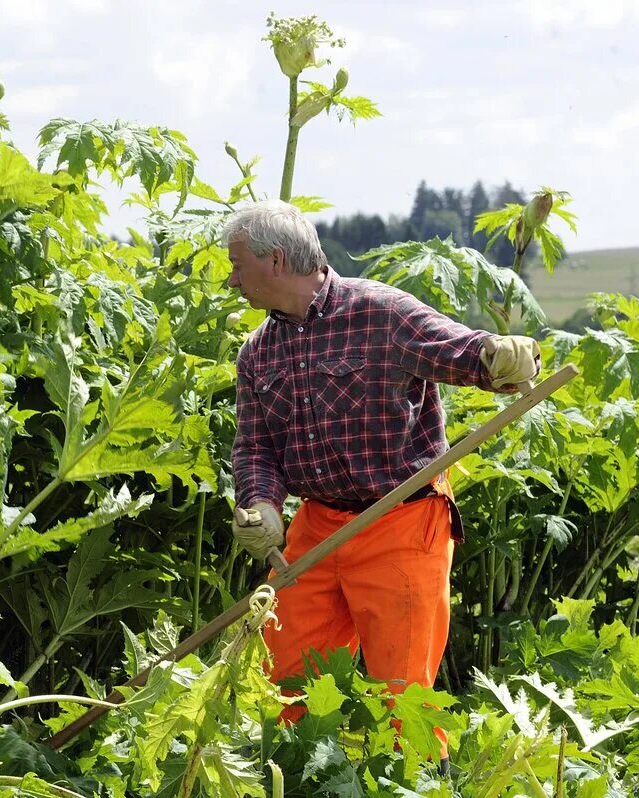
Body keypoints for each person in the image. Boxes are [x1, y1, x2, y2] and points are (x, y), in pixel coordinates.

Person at [224, 200, 539, 766]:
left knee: (404, 696)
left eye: (237, 264)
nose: (231, 278)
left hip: (401, 519)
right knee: (286, 684)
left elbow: (458, 351)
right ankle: (302, 777)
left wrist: (500, 358)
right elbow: (254, 447)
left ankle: (418, 780)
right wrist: (260, 505)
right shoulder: (257, 353)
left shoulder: (379, 313)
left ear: (274, 260)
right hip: (317, 527)